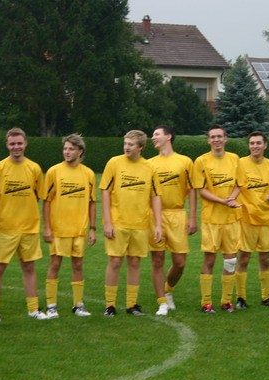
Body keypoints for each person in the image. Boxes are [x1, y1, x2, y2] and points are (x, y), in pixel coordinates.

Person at [0, 127, 48, 322]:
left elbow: (38, 195)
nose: (16, 147)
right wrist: (2, 209)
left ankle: (33, 310)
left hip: (29, 227)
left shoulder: (34, 168)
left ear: (25, 143)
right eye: (12, 144)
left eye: (19, 143)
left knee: (29, 267)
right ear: (7, 145)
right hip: (5, 227)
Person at [100, 130, 162, 317]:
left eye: (131, 144)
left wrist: (158, 225)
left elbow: (155, 196)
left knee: (135, 262)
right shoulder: (114, 163)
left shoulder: (149, 167)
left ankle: (132, 304)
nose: (126, 147)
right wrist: (108, 221)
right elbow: (105, 191)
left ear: (140, 147)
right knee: (115, 261)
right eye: (125, 143)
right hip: (118, 222)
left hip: (140, 224)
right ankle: (110, 305)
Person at [42, 134, 96, 318]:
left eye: (71, 149)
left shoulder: (88, 174)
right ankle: (51, 306)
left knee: (78, 265)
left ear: (80, 151)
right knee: (55, 264)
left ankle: (78, 305)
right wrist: (47, 227)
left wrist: (92, 229)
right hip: (59, 229)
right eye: (65, 148)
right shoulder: (54, 172)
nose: (67, 152)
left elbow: (92, 202)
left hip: (79, 229)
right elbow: (47, 201)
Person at [148, 126, 197, 316]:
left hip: (177, 214)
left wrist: (192, 217)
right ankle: (162, 301)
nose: (153, 137)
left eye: (156, 134)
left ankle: (168, 290)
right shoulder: (149, 163)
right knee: (157, 259)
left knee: (180, 262)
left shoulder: (185, 161)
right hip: (155, 216)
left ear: (168, 136)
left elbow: (191, 190)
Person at [192, 126, 241, 314]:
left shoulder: (235, 159)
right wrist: (222, 201)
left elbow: (239, 184)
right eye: (213, 137)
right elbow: (201, 190)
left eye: (219, 136)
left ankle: (226, 301)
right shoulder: (201, 161)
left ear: (225, 139)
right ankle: (206, 302)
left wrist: (232, 198)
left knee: (231, 260)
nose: (216, 140)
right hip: (211, 219)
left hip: (231, 219)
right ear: (208, 140)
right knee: (210, 260)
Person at [235, 131, 269, 309]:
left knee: (266, 259)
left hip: (266, 219)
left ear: (265, 145)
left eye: (258, 143)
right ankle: (241, 298)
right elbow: (233, 186)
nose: (255, 146)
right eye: (252, 143)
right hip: (246, 218)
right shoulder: (240, 164)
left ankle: (267, 296)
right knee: (244, 258)